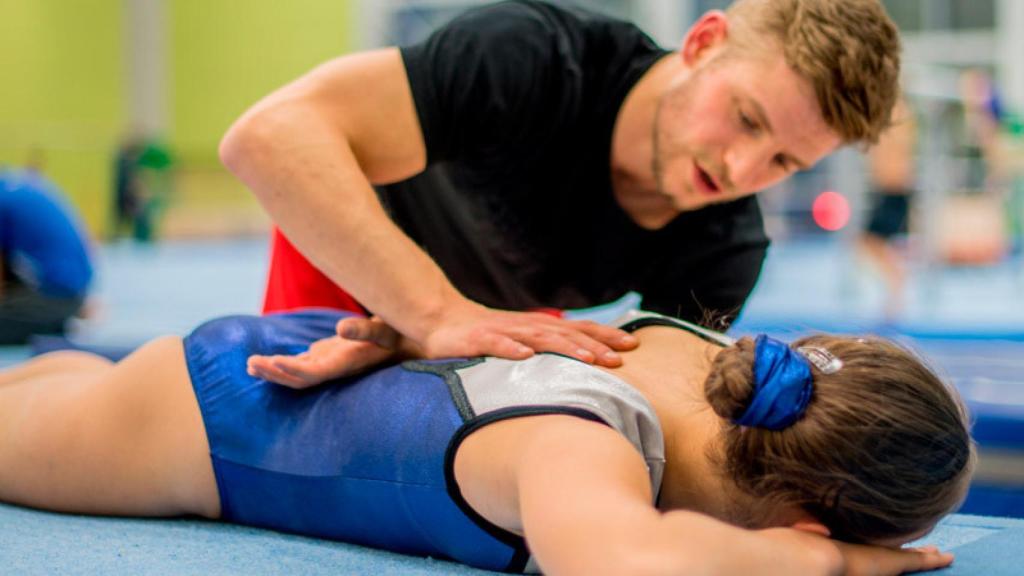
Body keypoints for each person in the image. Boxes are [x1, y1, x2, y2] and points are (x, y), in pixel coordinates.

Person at [0, 307, 972, 574]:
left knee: (43, 386)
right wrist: (829, 569)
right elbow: (622, 566)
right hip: (208, 426)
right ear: (803, 519)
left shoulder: (679, 355)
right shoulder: (585, 451)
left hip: (309, 359)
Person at [220, 0, 902, 367]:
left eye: (784, 163)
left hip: (497, 317)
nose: (740, 172)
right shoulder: (531, 57)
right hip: (356, 258)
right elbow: (268, 138)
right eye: (746, 119)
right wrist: (431, 314)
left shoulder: (726, 247)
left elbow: (652, 397)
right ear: (701, 43)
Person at [0, 169, 94, 345]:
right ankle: (60, 320)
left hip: (57, 297)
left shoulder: (3, 200)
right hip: (74, 292)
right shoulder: (13, 187)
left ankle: (53, 321)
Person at [859, 98, 917, 320]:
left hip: (894, 192)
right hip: (887, 191)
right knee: (870, 243)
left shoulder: (897, 117)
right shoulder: (888, 120)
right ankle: (895, 289)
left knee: (869, 242)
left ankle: (897, 289)